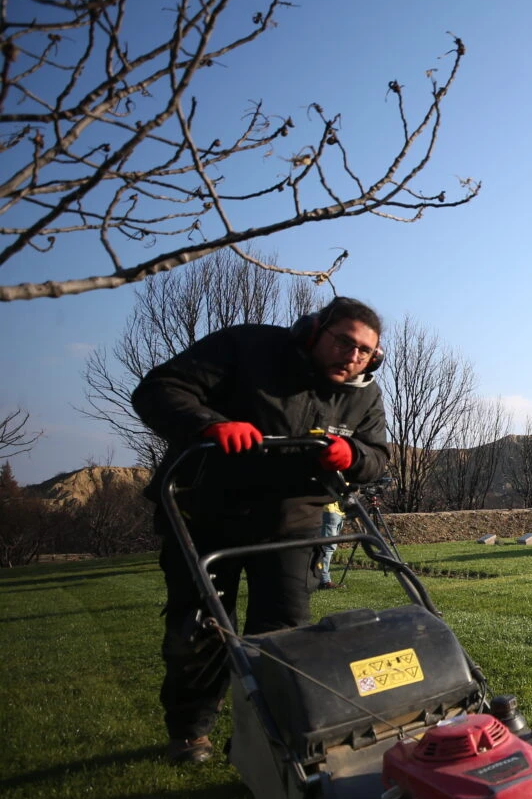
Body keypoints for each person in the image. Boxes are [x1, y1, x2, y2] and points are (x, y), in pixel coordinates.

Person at [132, 296, 389, 763]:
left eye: (365, 352)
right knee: (200, 629)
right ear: (314, 332)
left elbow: (378, 454)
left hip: (291, 521)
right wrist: (211, 424)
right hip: (206, 512)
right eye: (344, 342)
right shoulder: (246, 347)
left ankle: (268, 736)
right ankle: (190, 732)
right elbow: (158, 389)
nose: (353, 357)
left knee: (285, 633)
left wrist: (353, 457)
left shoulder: (364, 394)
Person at [315, 499, 345, 589]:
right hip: (330, 510)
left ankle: (319, 577)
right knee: (327, 547)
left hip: (339, 511)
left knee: (327, 547)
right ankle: (324, 581)